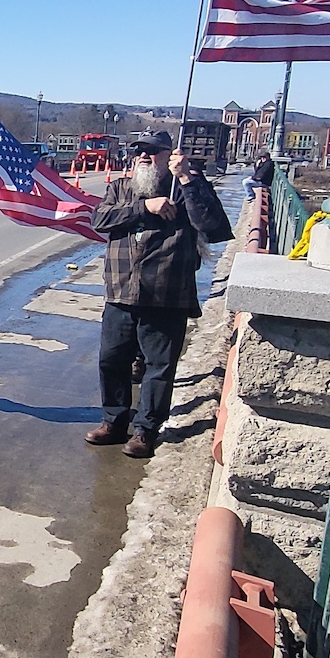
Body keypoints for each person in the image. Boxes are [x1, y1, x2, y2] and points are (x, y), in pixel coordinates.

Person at [86, 131, 230, 459]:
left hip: (166, 295)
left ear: (170, 155)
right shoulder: (121, 188)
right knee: (112, 360)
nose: (144, 157)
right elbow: (99, 219)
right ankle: (114, 421)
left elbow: (214, 227)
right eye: (139, 152)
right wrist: (145, 208)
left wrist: (187, 178)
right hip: (120, 292)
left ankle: (145, 431)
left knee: (159, 366)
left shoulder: (186, 189)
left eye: (153, 152)